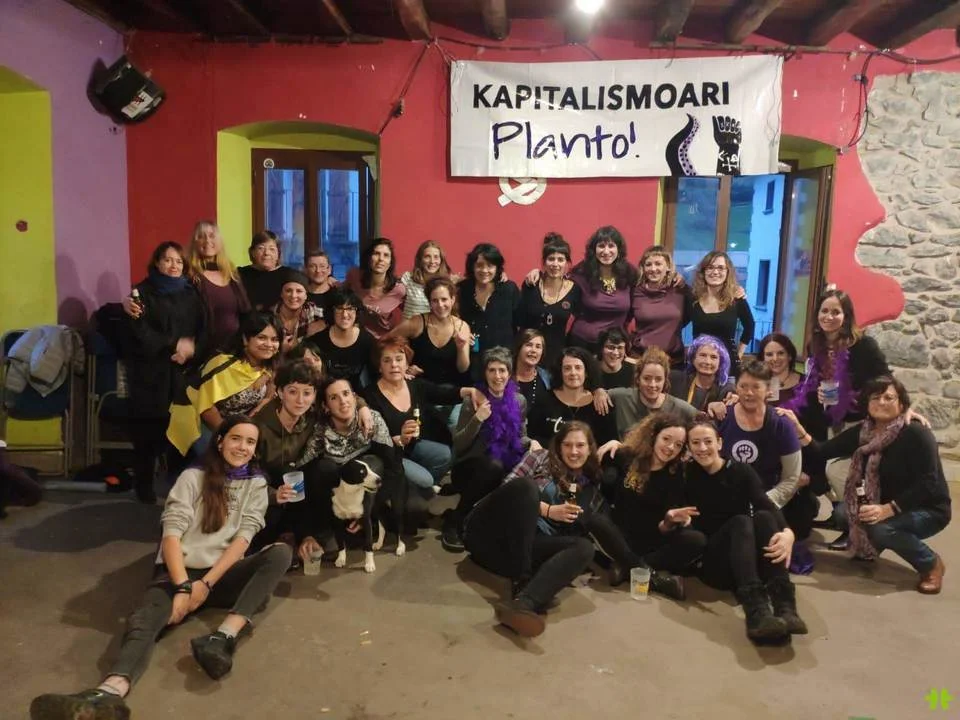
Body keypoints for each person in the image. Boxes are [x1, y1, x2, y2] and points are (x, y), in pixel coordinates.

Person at [29, 416, 292, 720]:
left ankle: (222, 639)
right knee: (143, 621)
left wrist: (205, 585)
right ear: (220, 441)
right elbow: (171, 535)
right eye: (236, 438)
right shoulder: (193, 477)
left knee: (280, 554)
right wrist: (184, 587)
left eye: (250, 442)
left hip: (219, 575)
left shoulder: (256, 483)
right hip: (179, 572)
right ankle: (108, 693)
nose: (242, 447)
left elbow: (243, 540)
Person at [782, 376, 951, 594]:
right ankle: (874, 544)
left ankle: (930, 564)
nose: (882, 402)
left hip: (928, 509)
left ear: (901, 405)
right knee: (843, 514)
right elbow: (822, 451)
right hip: (884, 502)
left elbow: (929, 483)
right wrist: (797, 429)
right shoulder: (865, 431)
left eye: (889, 398)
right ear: (867, 404)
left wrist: (887, 509)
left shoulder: (916, 432)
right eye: (876, 397)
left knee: (882, 529)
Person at [463, 423, 598, 638]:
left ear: (590, 448)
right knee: (527, 487)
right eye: (568, 445)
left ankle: (523, 603)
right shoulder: (540, 457)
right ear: (559, 446)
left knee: (584, 548)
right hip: (489, 534)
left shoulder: (587, 483)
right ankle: (524, 579)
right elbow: (509, 488)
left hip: (512, 556)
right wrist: (548, 510)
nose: (574, 451)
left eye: (580, 445)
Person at [684, 418, 806, 643]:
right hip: (715, 562)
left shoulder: (740, 471)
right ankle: (757, 612)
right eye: (695, 443)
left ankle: (785, 607)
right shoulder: (686, 474)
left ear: (720, 443)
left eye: (708, 441)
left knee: (763, 517)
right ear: (689, 447)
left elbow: (765, 504)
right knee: (741, 521)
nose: (702, 448)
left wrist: (788, 532)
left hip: (746, 557)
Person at [124, 241, 206, 503]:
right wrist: (173, 345)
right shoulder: (141, 293)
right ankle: (144, 487)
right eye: (168, 260)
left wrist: (190, 349)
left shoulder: (191, 292)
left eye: (179, 261)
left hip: (184, 370)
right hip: (151, 372)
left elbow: (202, 326)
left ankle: (179, 487)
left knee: (182, 430)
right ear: (157, 263)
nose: (174, 266)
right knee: (149, 432)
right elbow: (140, 331)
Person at [296, 377, 405, 564]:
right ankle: (328, 529)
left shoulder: (372, 419)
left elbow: (393, 467)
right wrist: (305, 531)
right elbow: (303, 471)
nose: (343, 401)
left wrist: (367, 510)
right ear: (326, 406)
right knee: (323, 468)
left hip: (367, 493)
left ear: (355, 397)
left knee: (414, 508)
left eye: (346, 394)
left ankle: (368, 523)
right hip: (338, 497)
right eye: (334, 398)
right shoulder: (321, 430)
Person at [443, 347, 537, 553]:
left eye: (502, 370)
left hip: (500, 466)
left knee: (512, 471)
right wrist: (478, 419)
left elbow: (520, 436)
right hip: (468, 468)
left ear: (509, 373)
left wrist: (532, 442)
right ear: (485, 374)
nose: (497, 376)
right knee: (493, 466)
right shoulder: (473, 400)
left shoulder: (519, 401)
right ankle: (455, 519)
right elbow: (459, 444)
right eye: (492, 370)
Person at [362, 337, 475, 498]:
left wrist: (469, 391)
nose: (394, 365)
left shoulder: (415, 385)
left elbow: (442, 393)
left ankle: (417, 491)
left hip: (413, 447)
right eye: (387, 360)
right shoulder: (370, 395)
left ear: (406, 364)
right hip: (391, 455)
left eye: (399, 359)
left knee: (445, 455)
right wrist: (399, 439)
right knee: (426, 481)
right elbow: (372, 441)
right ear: (379, 366)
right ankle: (411, 493)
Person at [123, 221, 250, 356]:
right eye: (201, 236)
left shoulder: (230, 272)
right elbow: (156, 291)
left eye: (212, 236)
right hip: (198, 351)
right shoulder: (187, 273)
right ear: (195, 242)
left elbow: (245, 311)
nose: (207, 241)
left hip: (233, 348)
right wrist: (126, 301)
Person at [167, 312, 281, 458]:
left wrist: (257, 412)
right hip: (199, 420)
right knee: (227, 457)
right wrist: (233, 436)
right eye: (262, 338)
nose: (269, 345)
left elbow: (269, 396)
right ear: (245, 339)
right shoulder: (222, 364)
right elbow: (206, 408)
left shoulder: (270, 367)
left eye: (275, 339)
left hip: (237, 426)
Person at [608, 414, 704, 585]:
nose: (670, 447)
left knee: (696, 540)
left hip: (652, 540)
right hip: (620, 535)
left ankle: (628, 567)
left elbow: (662, 530)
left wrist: (668, 521)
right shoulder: (627, 456)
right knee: (596, 521)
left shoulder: (677, 475)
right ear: (653, 435)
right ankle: (644, 571)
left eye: (678, 445)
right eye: (666, 439)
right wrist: (612, 443)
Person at [598, 347, 697, 453]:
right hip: (628, 459)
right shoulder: (622, 397)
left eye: (658, 379)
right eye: (647, 378)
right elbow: (596, 395)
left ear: (665, 381)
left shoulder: (679, 407)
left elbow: (702, 421)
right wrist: (598, 391)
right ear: (638, 379)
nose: (652, 384)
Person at [527, 347, 617, 450]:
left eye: (578, 368)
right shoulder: (544, 399)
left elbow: (610, 441)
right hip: (549, 457)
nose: (573, 373)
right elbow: (531, 435)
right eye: (567, 368)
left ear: (586, 372)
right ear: (560, 372)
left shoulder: (601, 403)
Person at [388, 276, 472, 387]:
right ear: (429, 303)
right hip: (419, 389)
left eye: (444, 299)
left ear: (452, 300)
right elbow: (385, 342)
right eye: (435, 301)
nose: (440, 305)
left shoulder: (462, 327)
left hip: (450, 390)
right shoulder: (417, 323)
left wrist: (461, 348)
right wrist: (403, 366)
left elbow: (463, 368)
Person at [567, 226, 638, 353]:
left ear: (619, 249)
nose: (606, 251)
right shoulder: (581, 272)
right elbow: (558, 284)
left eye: (611, 246)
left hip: (615, 346)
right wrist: (538, 274)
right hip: (583, 343)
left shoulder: (630, 273)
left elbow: (635, 306)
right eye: (601, 246)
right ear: (594, 250)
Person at [516, 233, 581, 370]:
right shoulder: (531, 284)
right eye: (551, 259)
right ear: (544, 262)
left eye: (560, 259)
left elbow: (579, 324)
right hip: (527, 356)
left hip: (555, 357)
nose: (555, 264)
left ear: (567, 263)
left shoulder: (574, 290)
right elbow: (519, 321)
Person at [457, 243, 520, 380]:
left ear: (497, 267)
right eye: (479, 265)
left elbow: (520, 325)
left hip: (502, 365)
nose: (484, 270)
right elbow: (452, 321)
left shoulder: (509, 289)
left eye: (490, 266)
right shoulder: (461, 290)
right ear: (472, 266)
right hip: (470, 363)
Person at [689, 251, 755, 377]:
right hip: (699, 365)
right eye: (710, 267)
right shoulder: (693, 299)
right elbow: (679, 322)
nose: (715, 272)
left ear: (727, 272)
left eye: (720, 268)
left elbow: (750, 326)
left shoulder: (736, 299)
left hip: (728, 365)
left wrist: (738, 355)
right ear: (703, 272)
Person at [306, 288, 376, 391]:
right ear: (332, 311)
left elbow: (376, 375)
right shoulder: (317, 341)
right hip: (324, 393)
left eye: (350, 308)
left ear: (357, 312)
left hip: (355, 395)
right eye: (339, 308)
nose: (345, 314)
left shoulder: (367, 341)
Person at [630, 246, 687, 367]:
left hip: (674, 361)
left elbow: (692, 315)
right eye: (648, 264)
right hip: (641, 359)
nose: (653, 269)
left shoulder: (680, 289)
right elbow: (623, 318)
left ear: (668, 267)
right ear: (643, 268)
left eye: (658, 264)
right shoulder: (634, 292)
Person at [346, 238, 407, 338]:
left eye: (386, 255)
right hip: (358, 338)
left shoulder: (399, 289)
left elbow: (411, 316)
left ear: (390, 262)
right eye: (376, 253)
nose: (381, 259)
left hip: (384, 341)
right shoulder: (354, 276)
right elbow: (341, 292)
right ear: (369, 258)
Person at [669, 334, 735, 412]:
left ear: (720, 362)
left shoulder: (727, 391)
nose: (707, 362)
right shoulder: (675, 379)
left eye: (713, 357)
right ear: (693, 359)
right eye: (703, 355)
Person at [270, 269, 325, 355]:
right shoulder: (270, 315)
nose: (293, 295)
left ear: (306, 295)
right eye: (288, 291)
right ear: (281, 294)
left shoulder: (314, 312)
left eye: (299, 291)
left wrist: (323, 325)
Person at [399, 240, 457, 318]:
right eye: (427, 257)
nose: (432, 261)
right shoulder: (408, 279)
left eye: (436, 257)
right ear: (420, 259)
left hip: (435, 326)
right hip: (410, 325)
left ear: (441, 260)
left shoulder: (448, 283)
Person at [238, 230, 289, 311]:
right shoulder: (239, 274)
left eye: (272, 249)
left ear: (278, 254)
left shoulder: (289, 276)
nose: (266, 253)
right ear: (253, 252)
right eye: (261, 248)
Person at [512, 329, 552, 409]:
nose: (533, 350)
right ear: (519, 348)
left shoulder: (547, 378)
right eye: (529, 345)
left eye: (538, 347)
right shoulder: (504, 376)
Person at [304, 249, 338, 317]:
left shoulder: (338, 295)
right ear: (306, 269)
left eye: (322, 266)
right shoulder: (299, 296)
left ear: (329, 269)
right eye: (312, 266)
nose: (318, 270)